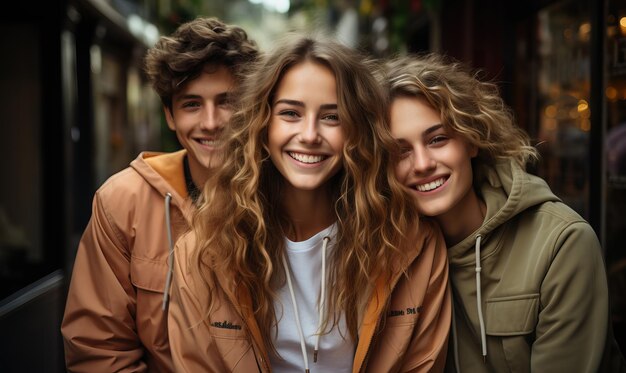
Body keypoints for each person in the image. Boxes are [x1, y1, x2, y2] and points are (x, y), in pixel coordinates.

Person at [168, 34, 451, 372]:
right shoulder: (203, 250)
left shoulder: (411, 244)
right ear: (262, 123)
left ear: (358, 130)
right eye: (291, 113)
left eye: (332, 117)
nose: (310, 134)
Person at [381, 52, 617, 372]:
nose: (422, 164)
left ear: (471, 140)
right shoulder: (384, 253)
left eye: (437, 139)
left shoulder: (560, 244)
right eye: (400, 151)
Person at [61, 17, 258, 372]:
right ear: (169, 115)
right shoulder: (122, 202)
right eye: (191, 104)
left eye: (227, 101)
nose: (211, 122)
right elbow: (99, 349)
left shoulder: (288, 196)